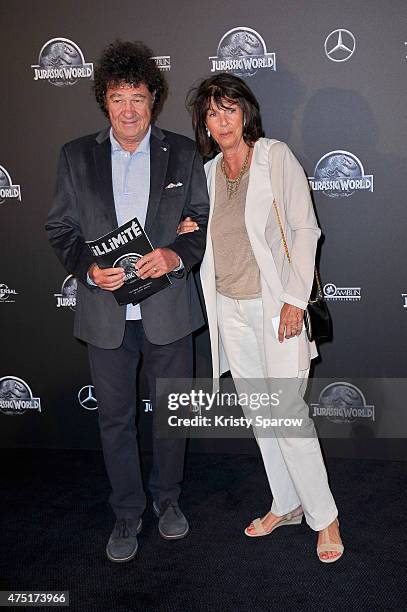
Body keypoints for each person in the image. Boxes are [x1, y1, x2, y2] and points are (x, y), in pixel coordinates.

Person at [46, 40, 209, 563]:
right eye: (118, 98)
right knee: (115, 419)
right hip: (105, 316)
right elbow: (60, 228)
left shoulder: (183, 151)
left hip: (168, 310)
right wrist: (88, 271)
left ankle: (168, 500)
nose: (129, 109)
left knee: (171, 415)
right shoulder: (76, 155)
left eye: (138, 96)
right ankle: (125, 512)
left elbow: (202, 223)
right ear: (104, 101)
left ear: (153, 98)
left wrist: (176, 253)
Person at [182, 73, 343, 563]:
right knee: (261, 418)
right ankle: (287, 502)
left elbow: (305, 227)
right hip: (229, 310)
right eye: (212, 112)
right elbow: (207, 238)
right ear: (204, 124)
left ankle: (326, 517)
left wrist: (295, 299)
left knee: (288, 416)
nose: (221, 120)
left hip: (275, 308)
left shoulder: (275, 157)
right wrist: (188, 228)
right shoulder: (208, 174)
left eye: (229, 108)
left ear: (245, 113)